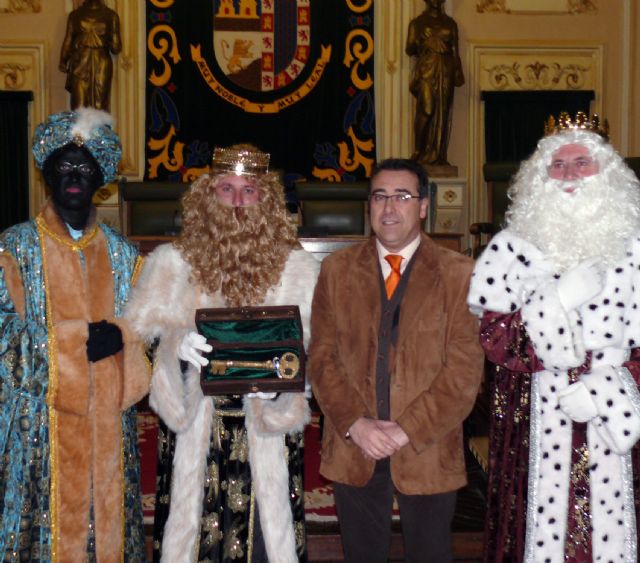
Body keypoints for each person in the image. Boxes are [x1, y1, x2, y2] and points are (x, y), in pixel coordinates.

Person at [125, 144, 320, 563]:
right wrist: (176, 349)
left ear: (265, 199)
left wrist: (287, 384)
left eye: (248, 191)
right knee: (192, 536)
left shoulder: (298, 269)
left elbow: (320, 351)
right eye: (226, 189)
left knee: (269, 538)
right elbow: (138, 346)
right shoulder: (171, 264)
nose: (236, 202)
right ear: (207, 197)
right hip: (196, 427)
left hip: (266, 431)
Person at [468, 112, 640, 562]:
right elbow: (495, 339)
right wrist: (557, 300)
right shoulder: (510, 249)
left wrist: (611, 390)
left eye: (582, 162)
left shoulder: (638, 250)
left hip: (620, 434)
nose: (569, 176)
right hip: (532, 428)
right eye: (558, 165)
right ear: (539, 176)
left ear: (608, 173)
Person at [309, 158, 484, 562]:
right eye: (379, 197)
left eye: (402, 197)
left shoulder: (460, 274)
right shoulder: (336, 271)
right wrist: (356, 424)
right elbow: (321, 358)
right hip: (356, 447)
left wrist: (406, 430)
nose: (389, 208)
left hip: (427, 447)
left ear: (423, 206)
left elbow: (462, 373)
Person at [0, 108, 150, 561]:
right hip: (39, 431)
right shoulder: (14, 248)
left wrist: (124, 340)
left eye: (85, 168)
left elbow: (150, 336)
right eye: (64, 165)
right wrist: (74, 346)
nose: (74, 175)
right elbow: (4, 338)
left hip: (109, 432)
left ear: (100, 178)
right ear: (46, 172)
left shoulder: (126, 256)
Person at [406, 0, 464, 167]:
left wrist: (458, 72)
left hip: (446, 70)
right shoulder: (417, 23)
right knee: (427, 109)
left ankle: (439, 155)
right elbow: (409, 48)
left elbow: (455, 51)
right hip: (427, 68)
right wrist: (423, 41)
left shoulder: (450, 23)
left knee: (443, 113)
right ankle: (419, 151)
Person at [59, 0, 122, 111]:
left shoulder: (111, 16)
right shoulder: (75, 15)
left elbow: (116, 49)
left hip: (101, 64)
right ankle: (82, 128)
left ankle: (99, 128)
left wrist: (63, 61)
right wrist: (63, 61)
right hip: (80, 63)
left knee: (99, 105)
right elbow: (68, 41)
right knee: (79, 106)